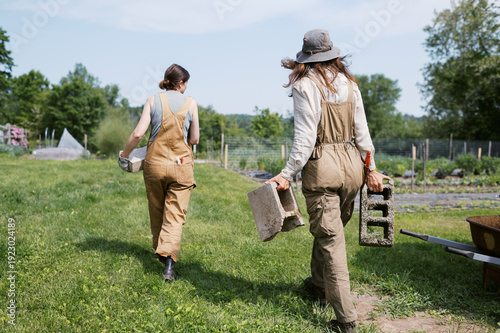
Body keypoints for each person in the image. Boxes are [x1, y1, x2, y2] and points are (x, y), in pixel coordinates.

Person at [266, 29, 391, 333]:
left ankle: (345, 320)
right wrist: (370, 168)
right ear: (333, 55)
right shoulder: (350, 84)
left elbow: (306, 138)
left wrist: (287, 173)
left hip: (324, 167)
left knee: (332, 241)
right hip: (353, 168)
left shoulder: (305, 86)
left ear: (307, 58)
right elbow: (362, 133)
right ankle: (318, 285)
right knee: (328, 231)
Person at [118, 64, 199, 282]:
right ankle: (169, 264)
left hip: (154, 165)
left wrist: (125, 155)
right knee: (175, 216)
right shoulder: (191, 103)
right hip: (181, 166)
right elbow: (194, 140)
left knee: (157, 210)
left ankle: (161, 252)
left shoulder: (153, 100)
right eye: (186, 83)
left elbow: (137, 134)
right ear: (180, 83)